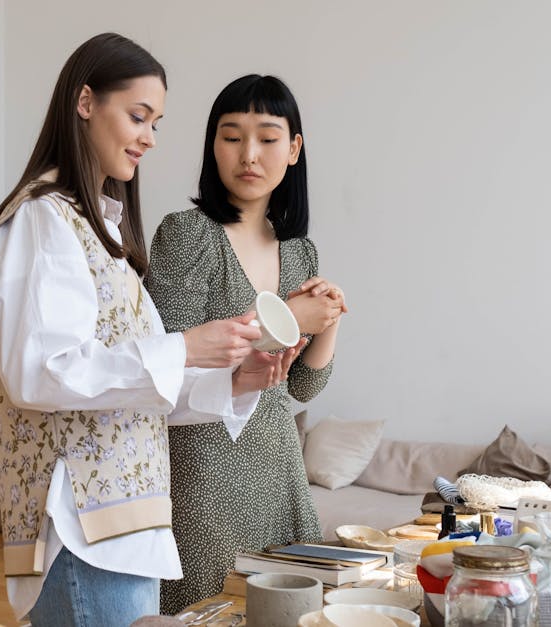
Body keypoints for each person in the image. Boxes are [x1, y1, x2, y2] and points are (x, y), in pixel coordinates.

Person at [0, 33, 292, 626]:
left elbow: (138, 394)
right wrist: (184, 346)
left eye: (157, 122)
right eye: (138, 116)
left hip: (125, 525)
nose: (150, 136)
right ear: (85, 103)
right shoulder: (42, 220)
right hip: (82, 528)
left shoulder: (101, 230)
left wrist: (235, 380)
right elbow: (41, 374)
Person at [146, 74, 346, 613]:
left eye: (267, 137)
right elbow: (170, 357)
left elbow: (302, 386)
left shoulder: (299, 251)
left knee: (290, 614)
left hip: (279, 467)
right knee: (207, 611)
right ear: (213, 147)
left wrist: (328, 319)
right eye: (231, 137)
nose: (248, 154)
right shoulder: (187, 233)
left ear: (294, 149)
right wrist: (289, 317)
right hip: (203, 469)